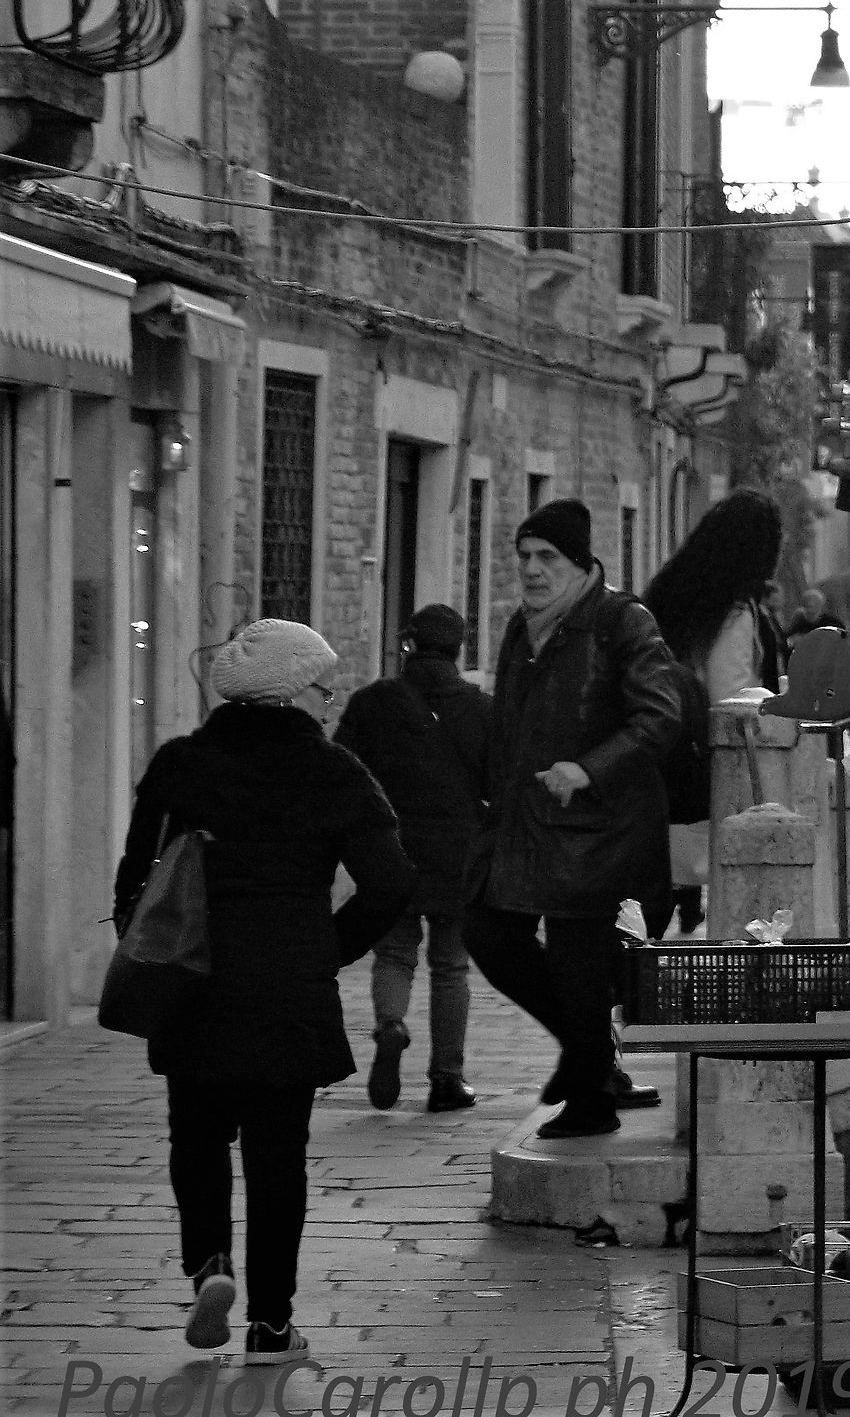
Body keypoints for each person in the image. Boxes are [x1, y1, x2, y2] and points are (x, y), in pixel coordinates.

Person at [114, 620, 416, 1364]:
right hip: (287, 988)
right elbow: (393, 884)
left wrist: (153, 949)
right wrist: (327, 952)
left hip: (193, 983)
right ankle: (271, 1327)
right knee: (278, 1156)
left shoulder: (180, 765)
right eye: (322, 685)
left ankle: (209, 1265)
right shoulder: (336, 772)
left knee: (197, 1133)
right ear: (290, 689)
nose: (330, 699)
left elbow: (132, 880)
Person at [464, 499, 684, 1139]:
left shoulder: (623, 622)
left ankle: (591, 1101)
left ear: (580, 560)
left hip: (598, 832)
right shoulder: (520, 627)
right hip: (522, 822)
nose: (532, 570)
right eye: (524, 556)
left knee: (577, 961)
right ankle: (586, 1053)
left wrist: (587, 769)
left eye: (546, 557)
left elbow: (660, 717)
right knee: (487, 932)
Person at [332, 604, 492, 1114]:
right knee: (451, 967)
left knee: (394, 954)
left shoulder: (371, 703)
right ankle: (447, 1079)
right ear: (458, 649)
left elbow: (345, 772)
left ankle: (391, 1026)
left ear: (408, 644)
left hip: (391, 851)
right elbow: (498, 784)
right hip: (458, 854)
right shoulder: (481, 709)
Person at [640, 488, 788, 937]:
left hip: (657, 761)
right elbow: (734, 699)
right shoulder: (735, 613)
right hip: (711, 774)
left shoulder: (667, 594)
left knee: (652, 906)